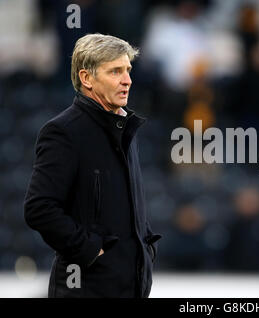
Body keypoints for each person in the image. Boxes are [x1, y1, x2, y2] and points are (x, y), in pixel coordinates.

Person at [23, 33, 161, 298]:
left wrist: (145, 248)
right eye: (115, 71)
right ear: (86, 78)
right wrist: (91, 251)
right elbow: (39, 208)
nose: (127, 80)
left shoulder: (126, 130)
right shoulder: (63, 131)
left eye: (128, 70)